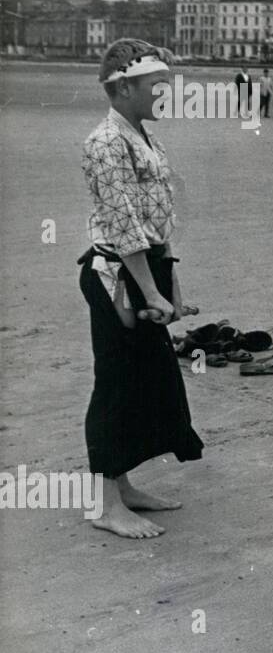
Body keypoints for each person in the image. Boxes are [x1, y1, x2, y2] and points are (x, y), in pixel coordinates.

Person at [79, 38, 204, 538]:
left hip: (144, 271)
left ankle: (122, 486)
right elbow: (124, 224)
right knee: (116, 384)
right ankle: (106, 506)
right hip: (115, 276)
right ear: (124, 86)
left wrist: (171, 289)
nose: (164, 94)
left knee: (147, 382)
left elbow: (158, 223)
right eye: (158, 86)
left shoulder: (146, 138)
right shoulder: (105, 143)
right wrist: (149, 293)